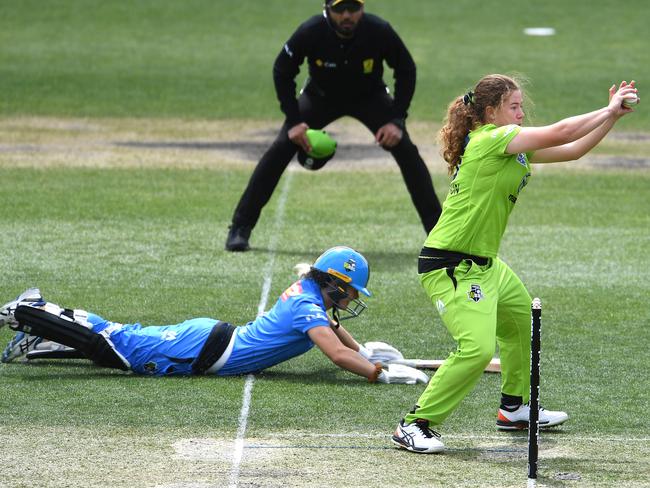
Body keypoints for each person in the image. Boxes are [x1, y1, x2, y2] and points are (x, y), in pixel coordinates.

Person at [390, 75, 639, 453]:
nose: (521, 113)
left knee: (522, 320)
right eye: (514, 107)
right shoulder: (491, 139)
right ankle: (413, 424)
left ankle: (514, 409)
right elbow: (561, 130)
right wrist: (606, 108)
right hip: (451, 264)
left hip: (487, 264)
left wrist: (612, 118)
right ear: (490, 112)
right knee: (475, 349)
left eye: (521, 106)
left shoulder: (512, 146)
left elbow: (573, 150)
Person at [0, 246, 429, 385]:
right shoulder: (305, 305)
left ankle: (37, 343)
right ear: (334, 283)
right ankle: (29, 310)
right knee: (116, 341)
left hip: (209, 343)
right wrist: (377, 373)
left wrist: (367, 350)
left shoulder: (313, 300)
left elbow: (338, 338)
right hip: (205, 348)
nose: (351, 298)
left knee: (117, 346)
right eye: (351, 290)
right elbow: (335, 355)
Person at [225, 0, 442, 252]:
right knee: (281, 148)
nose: (347, 15)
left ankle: (438, 234)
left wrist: (397, 120)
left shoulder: (379, 30)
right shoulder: (311, 31)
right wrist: (294, 122)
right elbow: (282, 70)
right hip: (320, 98)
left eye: (353, 8)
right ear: (327, 9)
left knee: (407, 152)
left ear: (362, 8)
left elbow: (406, 69)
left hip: (369, 98)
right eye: (340, 9)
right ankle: (240, 227)